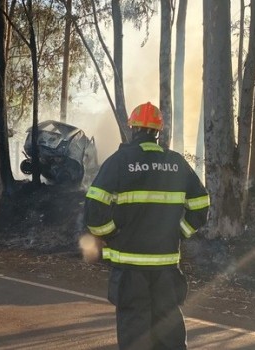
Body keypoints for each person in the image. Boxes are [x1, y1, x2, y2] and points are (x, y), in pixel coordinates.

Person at [82, 102, 209, 349]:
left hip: (130, 268)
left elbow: (94, 210)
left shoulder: (119, 162)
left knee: (135, 331)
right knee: (169, 329)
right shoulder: (176, 163)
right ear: (157, 132)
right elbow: (201, 204)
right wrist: (180, 232)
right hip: (166, 266)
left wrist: (111, 234)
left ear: (133, 129)